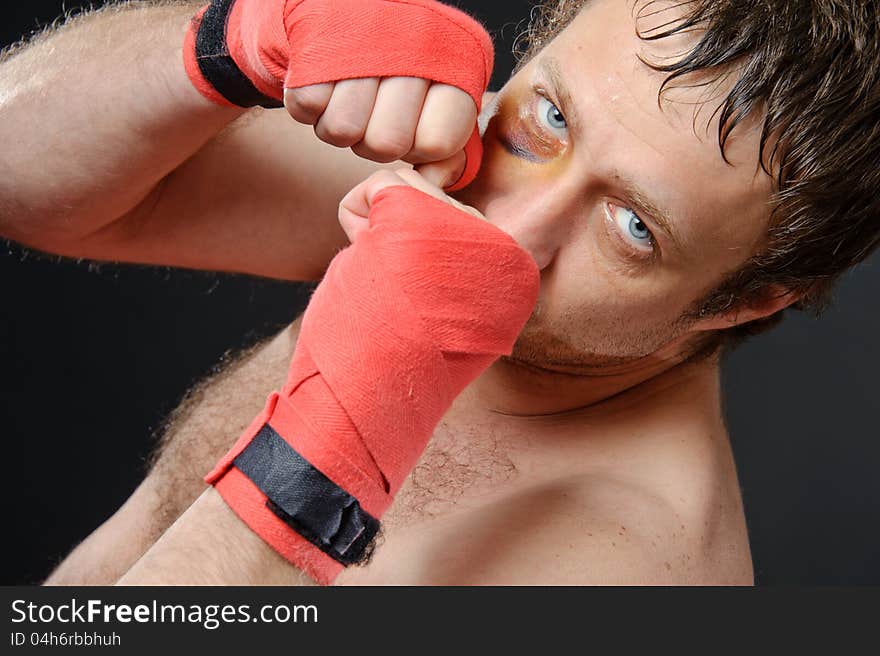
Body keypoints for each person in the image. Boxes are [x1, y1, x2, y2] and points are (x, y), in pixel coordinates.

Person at [3, 0, 877, 584]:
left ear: (747, 299)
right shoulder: (465, 165)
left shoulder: (620, 562)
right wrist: (235, 39)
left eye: (634, 228)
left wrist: (323, 456)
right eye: (553, 117)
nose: (507, 229)